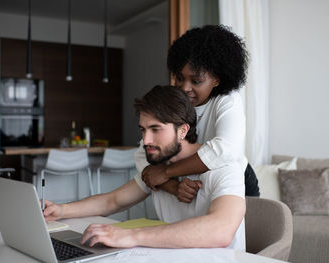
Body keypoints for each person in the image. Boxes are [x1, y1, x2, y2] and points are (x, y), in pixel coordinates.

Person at [44, 85, 246, 250]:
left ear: (183, 130)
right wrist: (60, 210)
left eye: (156, 129)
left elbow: (221, 230)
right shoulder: (158, 168)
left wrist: (131, 235)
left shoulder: (225, 166)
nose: (146, 140)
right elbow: (112, 201)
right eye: (143, 129)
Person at [136, 25, 259, 203]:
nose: (185, 88)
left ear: (217, 78)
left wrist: (166, 172)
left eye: (196, 81)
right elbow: (143, 155)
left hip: (238, 181)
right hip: (196, 181)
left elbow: (225, 151)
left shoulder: (227, 101)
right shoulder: (174, 101)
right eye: (179, 78)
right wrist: (172, 186)